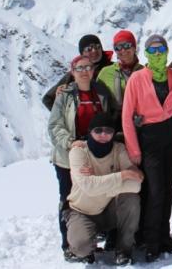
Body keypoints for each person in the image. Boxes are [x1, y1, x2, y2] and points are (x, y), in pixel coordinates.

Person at [122, 34, 172, 262]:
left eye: (161, 49)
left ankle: (164, 236)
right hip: (149, 138)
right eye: (152, 50)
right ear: (146, 53)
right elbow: (126, 117)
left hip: (171, 134)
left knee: (168, 187)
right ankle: (151, 241)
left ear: (166, 51)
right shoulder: (137, 78)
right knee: (154, 191)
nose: (157, 54)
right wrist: (134, 150)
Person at [48, 54, 115, 260]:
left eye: (88, 67)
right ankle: (69, 244)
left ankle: (92, 240)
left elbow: (110, 118)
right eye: (80, 68)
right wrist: (70, 143)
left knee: (98, 195)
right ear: (72, 71)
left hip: (96, 153)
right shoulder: (65, 95)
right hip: (68, 157)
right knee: (69, 199)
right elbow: (54, 125)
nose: (85, 71)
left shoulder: (102, 93)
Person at [64, 113, 142, 265]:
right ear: (90, 132)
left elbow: (136, 185)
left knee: (131, 198)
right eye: (98, 130)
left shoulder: (118, 149)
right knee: (81, 247)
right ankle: (81, 249)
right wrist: (122, 175)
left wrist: (100, 182)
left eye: (108, 131)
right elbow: (88, 188)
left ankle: (123, 251)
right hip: (81, 211)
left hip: (107, 209)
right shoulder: (79, 152)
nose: (103, 134)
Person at [43, 34, 114, 111]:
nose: (94, 51)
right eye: (89, 49)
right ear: (82, 53)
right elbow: (48, 99)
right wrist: (65, 117)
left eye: (97, 47)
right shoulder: (76, 73)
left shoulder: (114, 68)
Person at [97, 30, 144, 126]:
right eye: (118, 47)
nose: (123, 50)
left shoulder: (144, 71)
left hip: (141, 121)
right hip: (115, 125)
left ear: (134, 47)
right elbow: (93, 93)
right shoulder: (105, 73)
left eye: (127, 45)